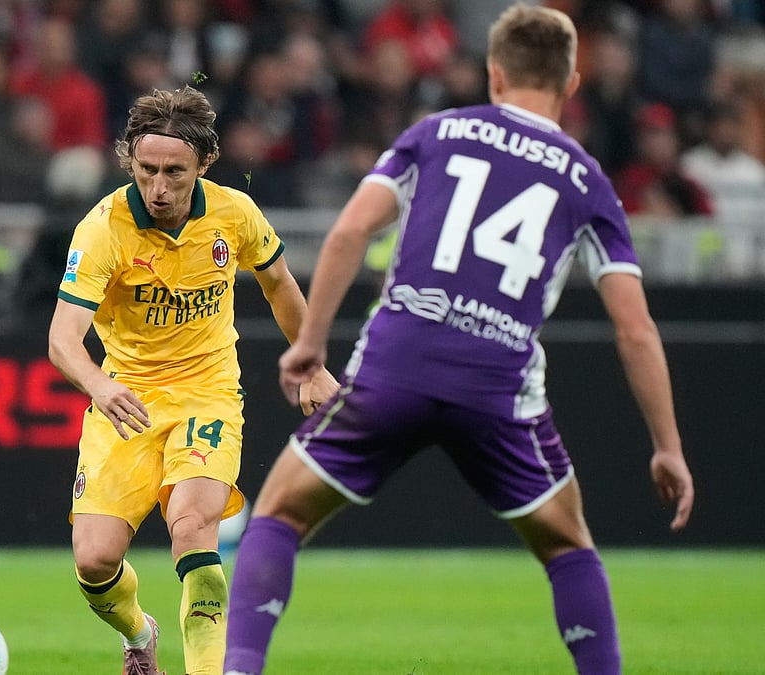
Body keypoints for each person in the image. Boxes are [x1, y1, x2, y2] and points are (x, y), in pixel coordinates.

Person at [222, 6, 695, 675]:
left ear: (494, 72)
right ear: (571, 82)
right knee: (567, 546)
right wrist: (668, 447)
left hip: (396, 367)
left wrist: (312, 344)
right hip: (497, 386)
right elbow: (635, 327)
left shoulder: (436, 132)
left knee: (278, 513)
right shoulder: (588, 179)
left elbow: (352, 230)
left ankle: (239, 667)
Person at [47, 85, 338, 675]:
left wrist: (312, 364)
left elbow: (279, 282)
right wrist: (99, 386)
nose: (158, 187)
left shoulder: (235, 214)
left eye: (174, 172)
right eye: (147, 169)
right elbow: (61, 339)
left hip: (208, 392)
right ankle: (138, 632)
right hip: (124, 398)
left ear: (204, 164)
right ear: (129, 158)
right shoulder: (102, 228)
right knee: (95, 562)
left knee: (193, 530)